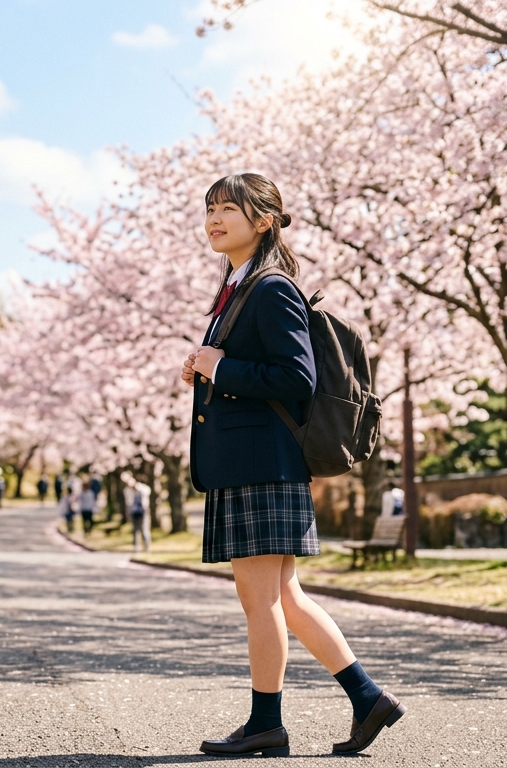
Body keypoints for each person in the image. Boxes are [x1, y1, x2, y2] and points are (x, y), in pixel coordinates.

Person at [181, 173, 401, 758]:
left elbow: (296, 378)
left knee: (262, 601)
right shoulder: (238, 286)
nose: (215, 218)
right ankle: (366, 697)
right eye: (209, 209)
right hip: (256, 462)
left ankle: (265, 724)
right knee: (285, 595)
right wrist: (209, 367)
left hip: (261, 464)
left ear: (265, 221)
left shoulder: (271, 287)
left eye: (230, 208)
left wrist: (219, 368)